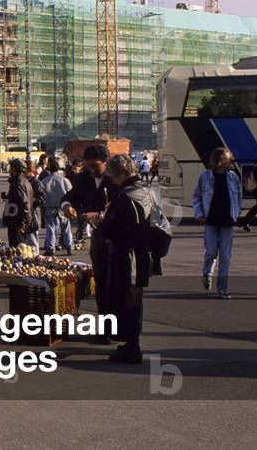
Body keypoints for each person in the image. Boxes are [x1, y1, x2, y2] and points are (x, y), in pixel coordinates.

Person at [98, 155, 153, 364]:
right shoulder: (147, 191)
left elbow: (111, 229)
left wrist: (101, 221)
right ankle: (132, 343)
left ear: (120, 174)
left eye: (112, 176)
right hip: (143, 255)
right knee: (136, 301)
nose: (111, 180)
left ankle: (132, 348)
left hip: (125, 255)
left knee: (125, 301)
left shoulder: (123, 196)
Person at [61, 145, 114, 337]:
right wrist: (67, 206)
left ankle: (119, 327)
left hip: (119, 237)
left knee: (116, 284)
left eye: (95, 165)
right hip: (99, 237)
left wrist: (100, 214)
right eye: (87, 165)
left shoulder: (116, 177)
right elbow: (71, 196)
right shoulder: (84, 177)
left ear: (106, 163)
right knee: (100, 282)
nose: (91, 169)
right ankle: (106, 328)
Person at [191, 147, 242, 299]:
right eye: (226, 158)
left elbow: (239, 197)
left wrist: (236, 214)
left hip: (227, 220)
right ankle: (207, 273)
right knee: (211, 252)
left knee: (225, 256)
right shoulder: (205, 176)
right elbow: (196, 196)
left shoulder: (233, 177)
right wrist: (199, 214)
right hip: (211, 220)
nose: (229, 161)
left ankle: (223, 287)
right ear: (219, 160)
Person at [38, 157, 73, 256]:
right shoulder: (64, 180)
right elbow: (71, 192)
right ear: (59, 169)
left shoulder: (45, 181)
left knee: (51, 229)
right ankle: (69, 246)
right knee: (66, 227)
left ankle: (51, 248)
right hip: (62, 207)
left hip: (49, 207)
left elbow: (41, 194)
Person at [2, 159, 36, 249]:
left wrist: (23, 224)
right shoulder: (24, 181)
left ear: (15, 169)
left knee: (17, 249)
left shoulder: (18, 183)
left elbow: (25, 204)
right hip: (18, 221)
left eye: (11, 168)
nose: (9, 170)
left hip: (17, 223)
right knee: (19, 247)